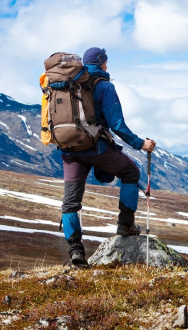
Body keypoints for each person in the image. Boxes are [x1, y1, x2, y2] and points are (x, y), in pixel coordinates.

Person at [60, 47, 156, 266]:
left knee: (71, 202)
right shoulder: (104, 86)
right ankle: (126, 224)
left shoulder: (67, 86)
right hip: (98, 149)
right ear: (101, 63)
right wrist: (140, 143)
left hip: (70, 150)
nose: (107, 66)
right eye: (106, 62)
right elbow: (117, 124)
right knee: (131, 172)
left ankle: (75, 251)